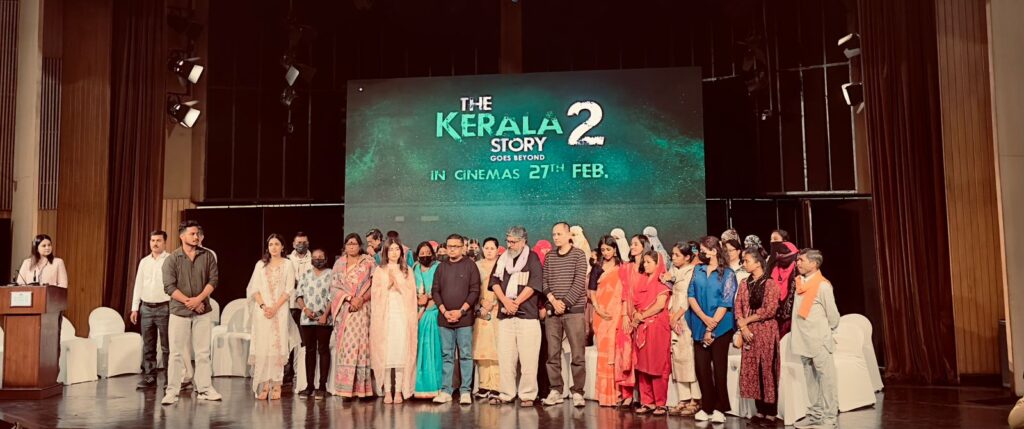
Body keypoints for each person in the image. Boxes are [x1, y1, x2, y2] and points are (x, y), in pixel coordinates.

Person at [161, 220, 222, 405]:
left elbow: (213, 280)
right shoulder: (172, 259)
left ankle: (204, 388)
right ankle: (172, 391)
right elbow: (169, 287)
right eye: (192, 234)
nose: (196, 237)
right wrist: (191, 302)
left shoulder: (207, 256)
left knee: (203, 352)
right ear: (182, 236)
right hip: (179, 312)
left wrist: (199, 300)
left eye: (197, 234)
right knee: (176, 353)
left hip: (202, 311)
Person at [489, 227, 544, 407]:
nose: (510, 245)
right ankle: (507, 393)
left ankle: (527, 394)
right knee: (506, 358)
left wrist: (516, 302)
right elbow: (494, 282)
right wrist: (506, 301)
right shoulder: (502, 258)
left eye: (513, 242)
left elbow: (534, 283)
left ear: (523, 241)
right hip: (506, 315)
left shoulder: (532, 258)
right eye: (508, 241)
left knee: (529, 359)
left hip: (527, 316)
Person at [686, 236, 737, 423]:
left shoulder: (728, 274)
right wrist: (704, 318)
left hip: (720, 325)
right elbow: (691, 295)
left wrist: (712, 325)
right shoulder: (697, 270)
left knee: (719, 368)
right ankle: (706, 406)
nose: (699, 253)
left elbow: (726, 301)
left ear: (714, 251)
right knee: (702, 368)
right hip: (699, 323)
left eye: (702, 250)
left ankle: (720, 407)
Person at [541, 222, 590, 408]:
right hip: (553, 312)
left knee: (577, 354)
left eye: (559, 234)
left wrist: (565, 304)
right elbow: (545, 282)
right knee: (552, 354)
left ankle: (577, 391)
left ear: (569, 235)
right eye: (554, 234)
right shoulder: (550, 256)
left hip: (573, 312)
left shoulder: (578, 255)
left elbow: (579, 282)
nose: (556, 237)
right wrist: (554, 302)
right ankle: (556, 390)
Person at [246, 234, 299, 400]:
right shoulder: (260, 265)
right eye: (271, 244)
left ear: (283, 247)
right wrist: (264, 307)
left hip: (280, 310)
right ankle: (265, 385)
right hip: (262, 312)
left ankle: (277, 384)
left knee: (277, 347)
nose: (274, 247)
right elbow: (254, 289)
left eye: (277, 244)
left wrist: (275, 308)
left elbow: (289, 289)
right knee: (263, 347)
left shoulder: (288, 264)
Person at [791, 249, 840, 429]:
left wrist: (824, 334)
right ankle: (814, 415)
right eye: (797, 260)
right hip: (803, 340)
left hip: (819, 341)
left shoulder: (822, 286)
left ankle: (829, 418)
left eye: (802, 260)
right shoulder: (799, 283)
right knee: (811, 381)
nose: (798, 263)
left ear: (814, 264)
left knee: (826, 381)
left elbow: (833, 317)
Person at [431, 234, 481, 405]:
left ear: (462, 247)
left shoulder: (470, 266)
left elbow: (475, 291)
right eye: (449, 246)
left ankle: (465, 391)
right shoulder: (441, 267)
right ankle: (446, 390)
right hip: (444, 318)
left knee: (465, 355)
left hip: (464, 318)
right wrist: (444, 311)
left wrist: (461, 311)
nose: (452, 249)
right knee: (447, 355)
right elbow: (435, 291)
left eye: (455, 246)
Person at [370, 238, 419, 404]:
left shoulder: (407, 270)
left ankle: (398, 390)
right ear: (385, 252)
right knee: (386, 353)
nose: (394, 253)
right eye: (390, 249)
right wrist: (387, 285)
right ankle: (387, 391)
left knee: (400, 353)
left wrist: (398, 285)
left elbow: (411, 294)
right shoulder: (380, 270)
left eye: (397, 249)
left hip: (402, 315)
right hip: (385, 315)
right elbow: (375, 294)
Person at [735, 247, 780, 425]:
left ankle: (771, 412)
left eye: (746, 260)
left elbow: (770, 309)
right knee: (753, 369)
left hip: (766, 330)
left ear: (757, 263)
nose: (744, 264)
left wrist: (747, 321)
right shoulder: (744, 283)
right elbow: (738, 306)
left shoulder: (770, 283)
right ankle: (759, 411)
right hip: (748, 331)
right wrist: (743, 326)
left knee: (766, 369)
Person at [328, 233, 375, 399]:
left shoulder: (369, 262)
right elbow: (334, 288)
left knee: (362, 347)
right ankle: (345, 390)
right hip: (345, 309)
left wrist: (361, 299)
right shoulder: (339, 264)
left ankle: (362, 390)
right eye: (349, 243)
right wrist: (349, 298)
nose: (352, 246)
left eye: (354, 243)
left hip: (363, 309)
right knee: (347, 348)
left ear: (360, 246)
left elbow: (375, 284)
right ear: (345, 246)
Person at [629, 250, 671, 416]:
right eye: (644, 262)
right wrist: (635, 315)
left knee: (657, 364)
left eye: (648, 262)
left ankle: (660, 403)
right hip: (641, 327)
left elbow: (660, 305)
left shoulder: (662, 282)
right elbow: (635, 304)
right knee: (642, 365)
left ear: (657, 264)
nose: (645, 265)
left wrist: (642, 315)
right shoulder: (641, 281)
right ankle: (647, 402)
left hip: (657, 328)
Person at [664, 241, 701, 416]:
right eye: (672, 254)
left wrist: (676, 317)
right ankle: (683, 398)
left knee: (688, 357)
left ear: (687, 257)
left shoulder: (691, 271)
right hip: (673, 314)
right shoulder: (674, 270)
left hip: (684, 316)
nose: (673, 257)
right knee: (677, 357)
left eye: (677, 255)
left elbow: (687, 296)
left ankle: (695, 398)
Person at [130, 230, 171, 388]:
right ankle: (149, 377)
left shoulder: (170, 260)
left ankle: (169, 379)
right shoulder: (144, 262)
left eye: (158, 240)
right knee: (148, 345)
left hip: (164, 307)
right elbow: (138, 284)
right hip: (146, 308)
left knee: (167, 346)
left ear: (164, 242)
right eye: (152, 240)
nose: (155, 243)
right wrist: (135, 308)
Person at [617, 234, 653, 408]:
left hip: (644, 316)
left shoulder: (648, 268)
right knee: (625, 354)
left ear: (644, 246)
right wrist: (625, 315)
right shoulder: (626, 267)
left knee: (641, 356)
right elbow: (624, 294)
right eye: (631, 244)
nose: (632, 247)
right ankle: (627, 395)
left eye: (636, 244)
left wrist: (640, 316)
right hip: (628, 314)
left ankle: (644, 397)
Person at [590, 235, 624, 406]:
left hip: (618, 315)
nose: (605, 252)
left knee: (617, 352)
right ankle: (605, 395)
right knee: (604, 354)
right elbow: (592, 291)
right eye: (603, 250)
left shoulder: (622, 267)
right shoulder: (597, 267)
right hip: (601, 315)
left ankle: (618, 394)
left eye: (608, 249)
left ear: (615, 249)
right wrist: (598, 309)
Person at [295, 249, 333, 399]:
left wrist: (325, 315)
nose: (318, 259)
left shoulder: (331, 274)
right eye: (315, 257)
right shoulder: (305, 274)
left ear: (326, 259)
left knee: (323, 349)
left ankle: (322, 386)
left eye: (321, 257)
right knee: (309, 351)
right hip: (307, 320)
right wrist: (305, 309)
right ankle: (309, 386)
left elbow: (332, 296)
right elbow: (299, 295)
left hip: (324, 319)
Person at [413, 242, 444, 399]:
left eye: (428, 252)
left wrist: (429, 298)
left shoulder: (439, 267)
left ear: (432, 253)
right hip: (418, 314)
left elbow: (443, 288)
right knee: (420, 349)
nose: (425, 255)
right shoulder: (414, 269)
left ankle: (436, 386)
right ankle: (419, 387)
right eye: (422, 252)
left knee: (434, 349)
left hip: (434, 312)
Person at [473, 237, 501, 399]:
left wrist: (494, 302)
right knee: (482, 348)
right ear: (482, 249)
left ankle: (497, 386)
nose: (489, 251)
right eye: (487, 248)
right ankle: (484, 385)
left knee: (496, 349)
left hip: (497, 310)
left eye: (492, 248)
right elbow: (473, 287)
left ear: (498, 250)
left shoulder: (502, 265)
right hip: (481, 310)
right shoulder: (476, 266)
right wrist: (482, 303)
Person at [284, 232, 312, 387]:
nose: (301, 245)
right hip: (290, 305)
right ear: (293, 244)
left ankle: (302, 374)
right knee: (289, 339)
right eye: (299, 242)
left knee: (304, 340)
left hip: (307, 305)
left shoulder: (313, 259)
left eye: (304, 242)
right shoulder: (288, 259)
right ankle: (287, 373)